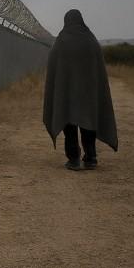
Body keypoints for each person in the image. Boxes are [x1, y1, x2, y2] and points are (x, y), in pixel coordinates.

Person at [42, 9, 118, 170]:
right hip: (88, 94)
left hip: (66, 94)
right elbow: (99, 69)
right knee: (88, 122)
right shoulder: (91, 41)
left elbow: (53, 65)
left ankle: (74, 159)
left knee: (68, 123)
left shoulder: (61, 42)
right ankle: (91, 158)